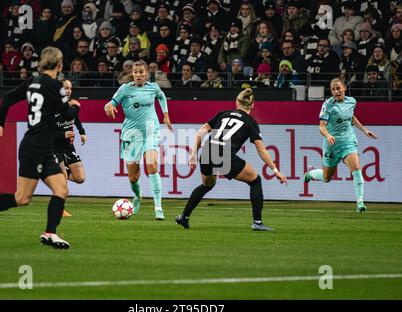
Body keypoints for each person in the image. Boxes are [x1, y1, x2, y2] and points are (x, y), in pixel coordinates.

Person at [0, 47, 80, 249]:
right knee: (22, 198)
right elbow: (68, 114)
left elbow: (8, 97)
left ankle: (50, 233)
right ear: (59, 65)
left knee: (61, 188)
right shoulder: (55, 85)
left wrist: (0, 123)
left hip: (40, 146)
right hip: (35, 146)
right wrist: (76, 106)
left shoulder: (33, 81)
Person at [175, 88, 287, 231]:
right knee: (255, 181)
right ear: (252, 105)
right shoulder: (250, 122)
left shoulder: (223, 114)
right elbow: (261, 150)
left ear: (236, 103)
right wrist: (275, 170)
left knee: (207, 185)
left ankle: (184, 217)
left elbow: (201, 132)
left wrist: (192, 155)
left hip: (208, 152)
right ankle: (257, 222)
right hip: (223, 154)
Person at [104, 60, 173, 220]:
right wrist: (109, 107)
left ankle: (158, 207)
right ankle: (138, 196)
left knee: (152, 166)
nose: (139, 75)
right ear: (132, 74)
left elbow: (161, 97)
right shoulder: (125, 89)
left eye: (142, 72)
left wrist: (166, 114)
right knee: (133, 177)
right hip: (131, 134)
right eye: (136, 72)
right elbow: (111, 103)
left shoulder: (153, 87)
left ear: (147, 73)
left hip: (150, 131)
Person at [304, 77, 378, 213]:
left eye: (338, 88)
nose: (336, 91)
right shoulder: (328, 105)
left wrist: (364, 130)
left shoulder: (352, 101)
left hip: (348, 141)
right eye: (333, 89)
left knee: (356, 168)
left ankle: (360, 203)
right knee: (327, 178)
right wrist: (328, 135)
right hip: (332, 145)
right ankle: (310, 174)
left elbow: (351, 117)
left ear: (344, 88)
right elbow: (321, 127)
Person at [55, 79, 87, 217]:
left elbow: (76, 118)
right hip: (54, 148)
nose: (68, 90)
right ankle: (60, 209)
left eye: (70, 88)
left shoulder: (70, 106)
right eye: (65, 88)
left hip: (69, 148)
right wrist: (63, 133)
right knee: (62, 181)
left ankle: (63, 172)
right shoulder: (52, 107)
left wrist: (82, 132)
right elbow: (45, 131)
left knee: (80, 178)